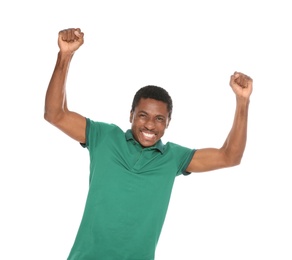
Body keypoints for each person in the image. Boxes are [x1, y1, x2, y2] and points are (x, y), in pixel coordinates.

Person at [44, 28, 253, 260]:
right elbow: (55, 114)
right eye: (143, 115)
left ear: (168, 123)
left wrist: (242, 101)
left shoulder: (173, 158)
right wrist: (65, 56)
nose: (150, 125)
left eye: (159, 119)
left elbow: (230, 156)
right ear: (131, 114)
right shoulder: (104, 136)